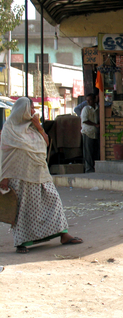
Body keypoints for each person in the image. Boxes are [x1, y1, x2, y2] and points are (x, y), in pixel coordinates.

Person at [0, 97, 83, 253]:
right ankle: (22, 242)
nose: (33, 111)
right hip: (19, 176)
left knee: (53, 201)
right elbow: (6, 155)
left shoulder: (33, 126)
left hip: (39, 173)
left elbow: (45, 143)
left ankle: (63, 234)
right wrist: (4, 177)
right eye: (30, 109)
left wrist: (39, 127)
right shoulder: (9, 128)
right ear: (22, 110)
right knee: (23, 210)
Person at [81, 93, 100, 173]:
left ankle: (93, 168)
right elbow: (84, 120)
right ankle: (89, 169)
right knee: (88, 152)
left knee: (94, 151)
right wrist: (95, 124)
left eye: (90, 100)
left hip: (95, 133)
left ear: (94, 99)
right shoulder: (86, 109)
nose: (88, 102)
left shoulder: (97, 109)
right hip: (87, 132)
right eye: (87, 100)